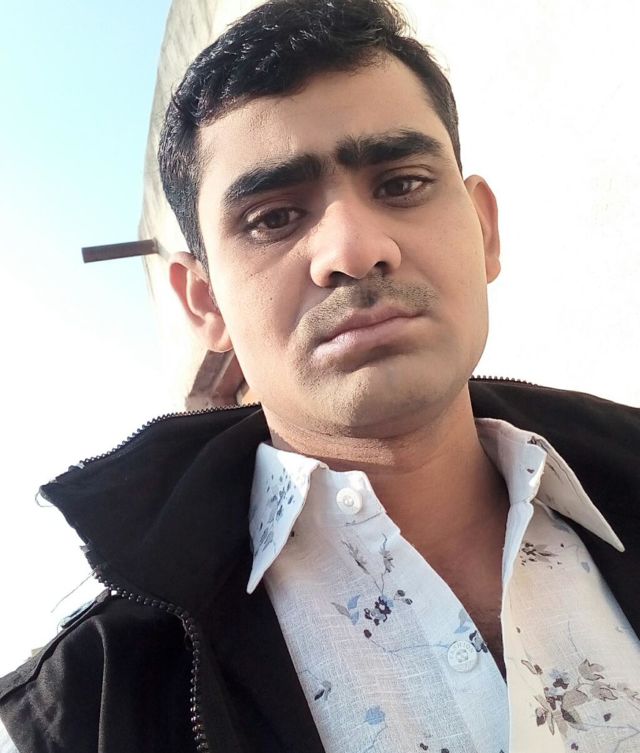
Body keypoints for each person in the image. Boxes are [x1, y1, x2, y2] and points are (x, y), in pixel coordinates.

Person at [1, 0, 638, 751]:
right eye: (273, 217)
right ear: (204, 301)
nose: (355, 249)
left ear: (484, 229)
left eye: (401, 183)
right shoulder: (94, 704)